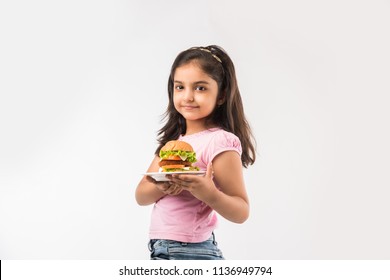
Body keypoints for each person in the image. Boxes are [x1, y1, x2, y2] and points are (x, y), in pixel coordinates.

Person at [135, 45, 256, 260]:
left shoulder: (219, 141)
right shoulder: (173, 145)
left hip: (192, 250)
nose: (188, 96)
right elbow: (141, 196)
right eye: (180, 87)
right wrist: (160, 186)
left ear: (221, 95)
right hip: (161, 248)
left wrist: (210, 194)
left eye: (200, 88)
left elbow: (241, 211)